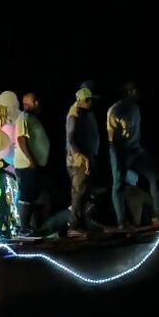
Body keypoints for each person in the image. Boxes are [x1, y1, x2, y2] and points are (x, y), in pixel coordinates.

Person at [108, 82, 159, 228]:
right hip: (119, 150)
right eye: (137, 91)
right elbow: (112, 139)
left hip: (135, 150)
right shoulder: (115, 110)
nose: (140, 94)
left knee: (155, 174)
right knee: (118, 183)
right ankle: (121, 221)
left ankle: (158, 215)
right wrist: (120, 160)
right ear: (130, 92)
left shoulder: (135, 107)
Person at [14, 92, 50, 234]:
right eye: (36, 102)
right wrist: (31, 160)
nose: (38, 104)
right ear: (33, 103)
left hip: (34, 164)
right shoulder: (24, 117)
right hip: (26, 165)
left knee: (35, 196)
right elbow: (21, 139)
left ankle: (32, 227)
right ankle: (23, 229)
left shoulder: (32, 118)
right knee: (26, 195)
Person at [65, 87, 100, 233]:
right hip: (78, 161)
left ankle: (83, 223)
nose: (91, 103)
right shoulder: (74, 114)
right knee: (79, 192)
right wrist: (80, 155)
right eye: (89, 100)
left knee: (85, 192)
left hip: (84, 158)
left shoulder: (83, 113)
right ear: (83, 100)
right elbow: (71, 138)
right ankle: (74, 226)